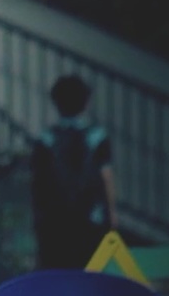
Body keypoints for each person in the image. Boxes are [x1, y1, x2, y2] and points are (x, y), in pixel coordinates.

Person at [30, 75, 116, 269]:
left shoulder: (46, 139)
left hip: (55, 218)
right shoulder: (97, 136)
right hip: (90, 217)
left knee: (58, 271)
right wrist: (111, 212)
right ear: (85, 102)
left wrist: (38, 218)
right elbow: (106, 176)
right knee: (91, 270)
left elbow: (38, 184)